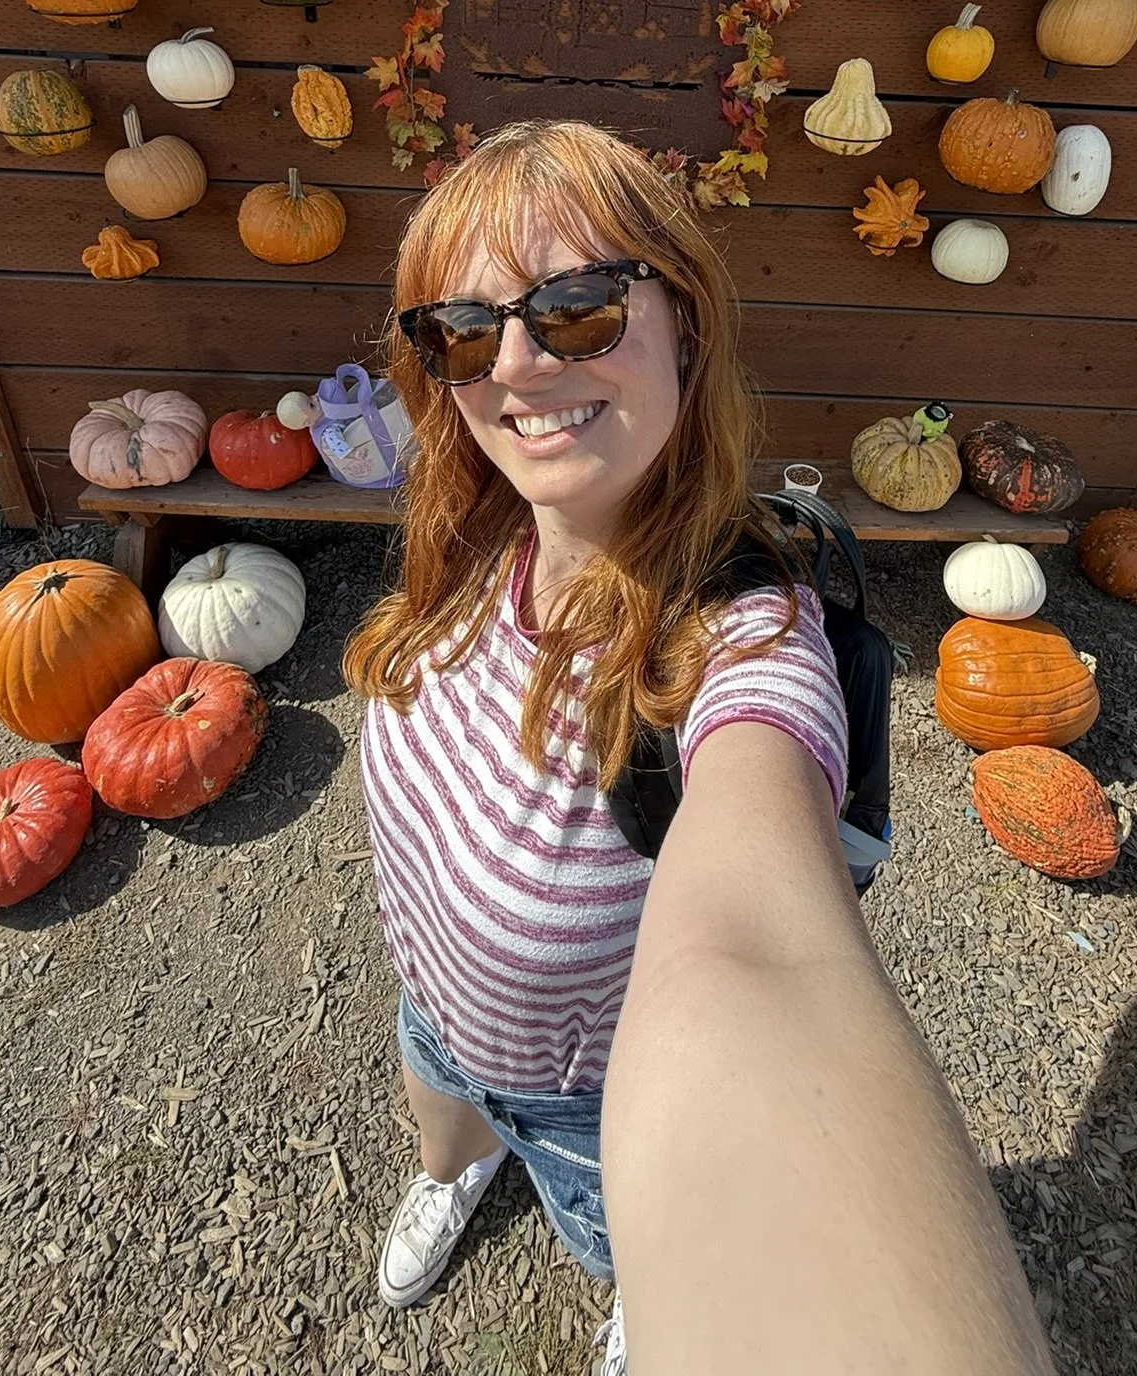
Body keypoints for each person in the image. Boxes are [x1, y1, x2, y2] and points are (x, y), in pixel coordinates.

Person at [345, 119, 1053, 1375]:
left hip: (593, 1112)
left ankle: (641, 1298)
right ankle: (451, 1171)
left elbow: (764, 956)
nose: (514, 360)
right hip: (439, 1012)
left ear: (684, 320)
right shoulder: (472, 540)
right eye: (460, 326)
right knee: (444, 1122)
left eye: (575, 308)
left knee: (622, 1240)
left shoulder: (742, 648)